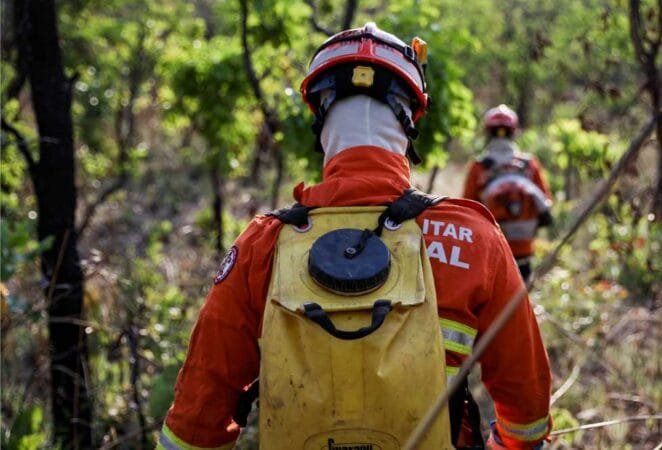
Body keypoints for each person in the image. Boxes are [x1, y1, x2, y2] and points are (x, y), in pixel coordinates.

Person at [157, 23, 551, 450]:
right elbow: (526, 415)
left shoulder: (262, 245)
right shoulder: (472, 237)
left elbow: (195, 423)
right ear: (410, 119)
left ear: (319, 115)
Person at [462, 105, 553, 282]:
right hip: (524, 249)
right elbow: (546, 202)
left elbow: (467, 209)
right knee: (521, 298)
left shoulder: (479, 167)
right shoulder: (529, 164)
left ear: (488, 132)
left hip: (492, 248)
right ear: (514, 131)